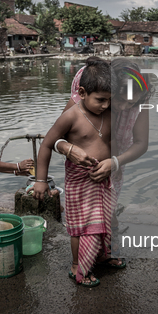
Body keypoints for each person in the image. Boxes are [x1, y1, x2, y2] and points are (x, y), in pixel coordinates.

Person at [56, 57, 150, 261]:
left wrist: (115, 162)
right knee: (86, 214)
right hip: (84, 167)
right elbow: (56, 137)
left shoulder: (140, 100)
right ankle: (82, 260)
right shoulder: (94, 91)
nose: (125, 107)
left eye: (131, 103)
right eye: (120, 101)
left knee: (109, 206)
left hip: (115, 161)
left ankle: (107, 250)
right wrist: (70, 148)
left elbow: (141, 143)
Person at [33, 59, 113, 287]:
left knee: (105, 220)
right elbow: (47, 144)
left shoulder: (109, 113)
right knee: (80, 227)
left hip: (103, 177)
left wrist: (112, 163)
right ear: (82, 92)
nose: (105, 105)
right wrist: (41, 181)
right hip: (79, 180)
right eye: (100, 100)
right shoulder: (72, 115)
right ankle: (78, 265)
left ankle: (102, 255)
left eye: (109, 100)